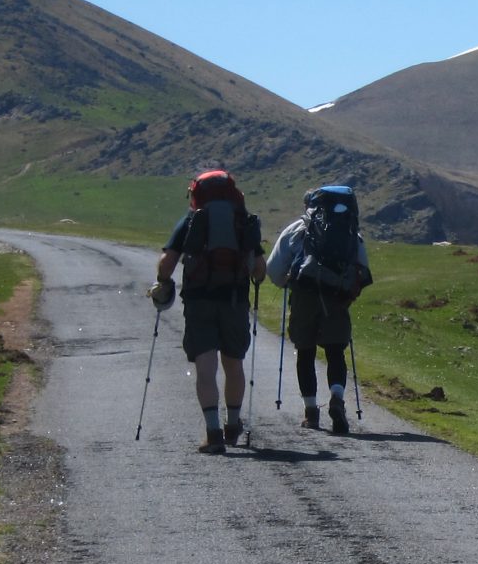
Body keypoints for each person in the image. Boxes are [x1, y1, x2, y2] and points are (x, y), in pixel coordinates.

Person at [149, 169, 265, 451]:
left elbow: (167, 265)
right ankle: (233, 425)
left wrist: (162, 281)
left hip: (199, 300)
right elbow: (260, 271)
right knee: (233, 364)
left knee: (206, 367)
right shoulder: (243, 220)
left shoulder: (192, 219)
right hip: (235, 301)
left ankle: (213, 433)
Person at [268, 185, 372, 432]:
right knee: (335, 352)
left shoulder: (298, 229)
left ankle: (311, 412)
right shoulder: (350, 231)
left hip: (303, 297)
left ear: (309, 206)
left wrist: (288, 283)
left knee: (305, 352)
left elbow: (274, 270)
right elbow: (362, 269)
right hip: (336, 297)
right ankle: (337, 398)